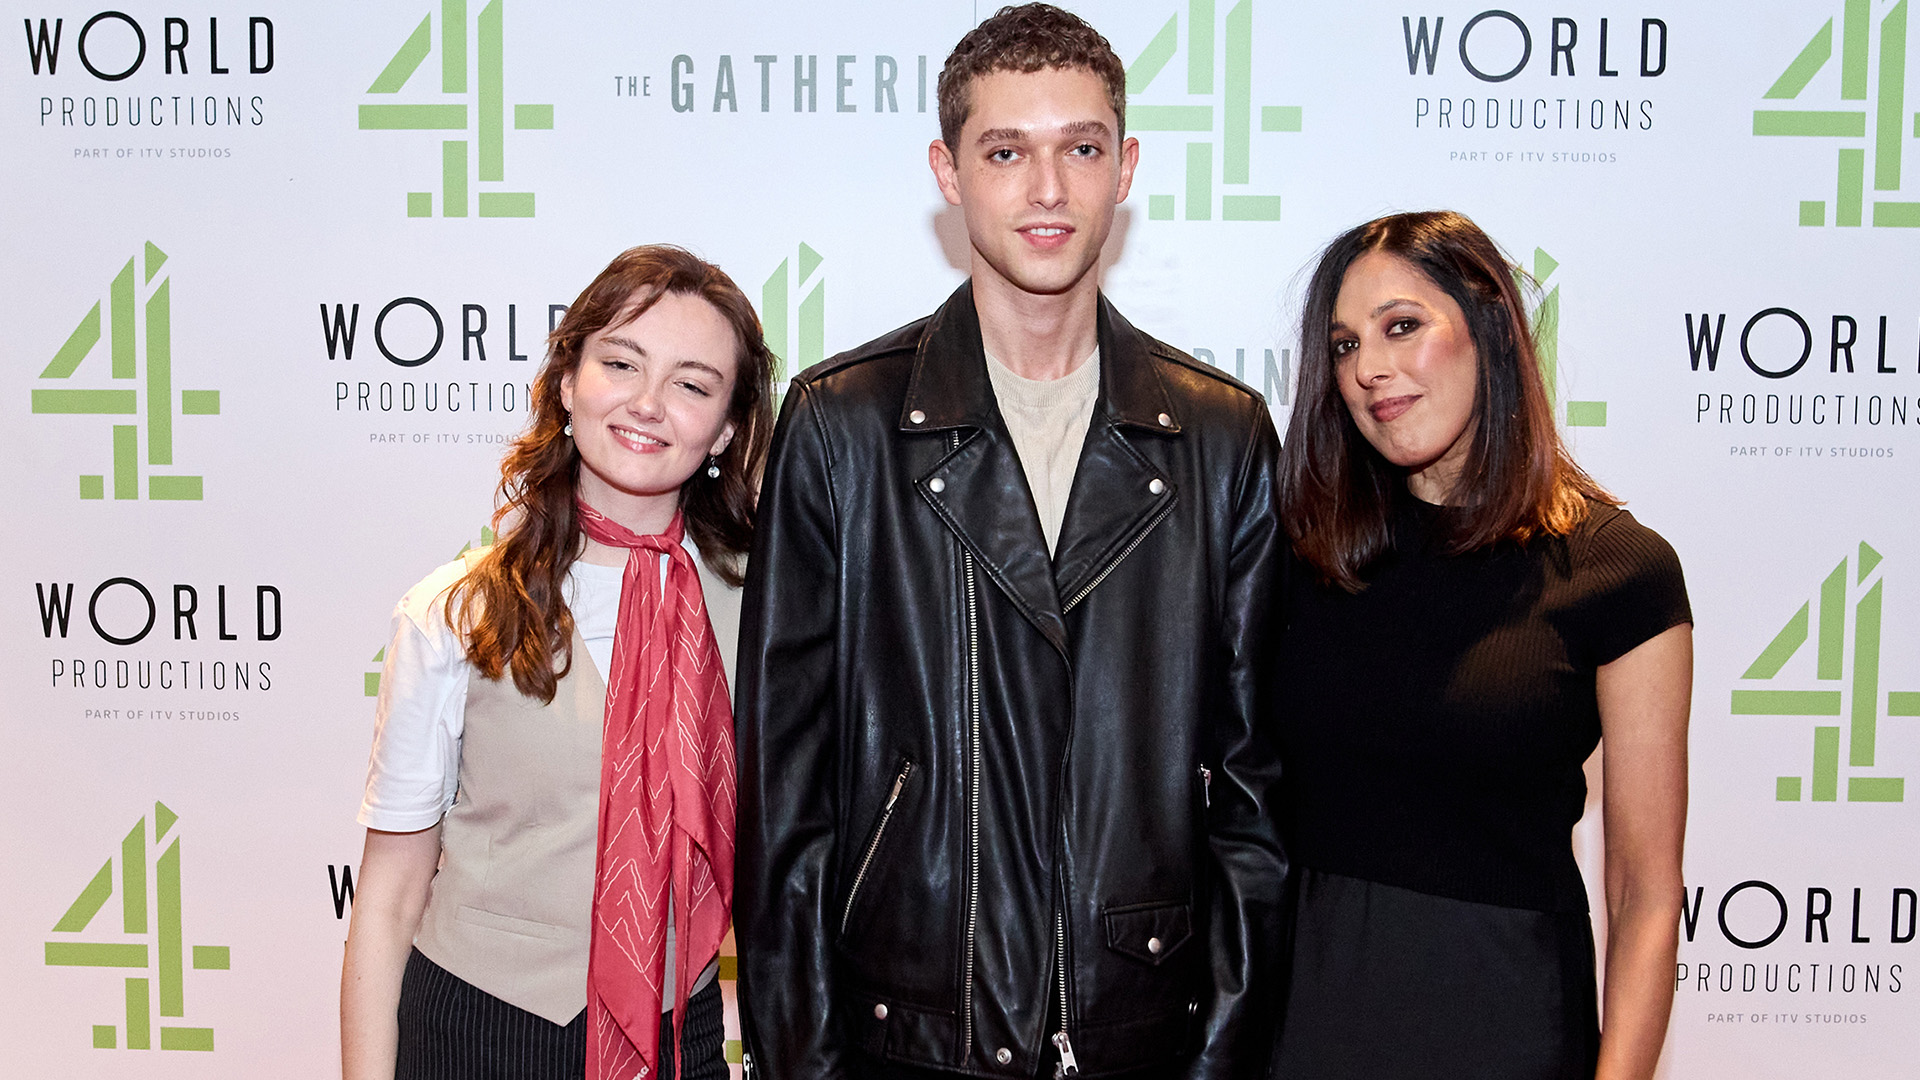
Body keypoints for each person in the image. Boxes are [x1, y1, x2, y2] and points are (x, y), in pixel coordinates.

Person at [734, 5, 1286, 1079]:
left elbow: (1255, 800)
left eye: (1080, 148)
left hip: (1142, 1034)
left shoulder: (1220, 434)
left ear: (1124, 168)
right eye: (1006, 151)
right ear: (949, 171)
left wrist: (1221, 1055)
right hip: (907, 1035)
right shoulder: (843, 423)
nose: (1047, 190)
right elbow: (783, 800)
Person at [1270, 210, 1691, 1080]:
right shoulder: (1302, 554)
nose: (1370, 369)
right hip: (1304, 1028)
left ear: (1492, 327)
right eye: (1345, 346)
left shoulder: (1619, 571)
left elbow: (1644, 894)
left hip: (1510, 1028)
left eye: (1402, 326)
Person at [340, 245, 775, 1080]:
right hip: (475, 1032)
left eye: (691, 383)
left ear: (725, 427)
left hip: (677, 1040)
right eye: (620, 363)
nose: (647, 404)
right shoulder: (454, 611)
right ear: (568, 381)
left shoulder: (776, 610)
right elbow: (389, 897)